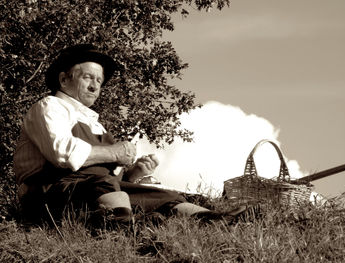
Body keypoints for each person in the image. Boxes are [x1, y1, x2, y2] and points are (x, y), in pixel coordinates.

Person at [14, 44, 251, 226]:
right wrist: (115, 152)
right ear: (64, 79)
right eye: (87, 77)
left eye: (99, 80)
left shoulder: (93, 122)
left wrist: (133, 173)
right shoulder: (50, 106)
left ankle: (212, 220)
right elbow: (63, 155)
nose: (95, 87)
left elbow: (108, 175)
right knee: (102, 184)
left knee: (162, 195)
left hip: (88, 192)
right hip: (46, 197)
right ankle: (121, 226)